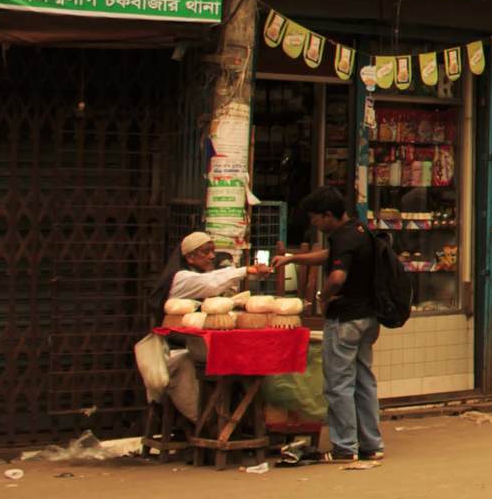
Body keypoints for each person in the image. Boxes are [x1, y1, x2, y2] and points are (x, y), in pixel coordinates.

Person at [137, 230, 273, 422]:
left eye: (212, 251)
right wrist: (246, 270)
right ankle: (207, 422)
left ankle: (239, 420)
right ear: (190, 257)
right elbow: (211, 283)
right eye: (205, 252)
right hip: (177, 351)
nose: (211, 257)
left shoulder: (196, 274)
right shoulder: (182, 278)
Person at [297, 185, 384, 464]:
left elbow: (336, 275)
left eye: (315, 218)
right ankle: (371, 443)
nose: (314, 224)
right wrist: (293, 258)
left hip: (345, 318)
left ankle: (345, 446)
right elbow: (330, 256)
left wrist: (323, 297)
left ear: (327, 215)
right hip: (367, 317)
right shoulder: (359, 232)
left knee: (338, 383)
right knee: (363, 381)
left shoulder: (343, 238)